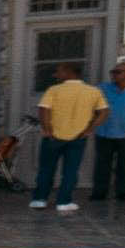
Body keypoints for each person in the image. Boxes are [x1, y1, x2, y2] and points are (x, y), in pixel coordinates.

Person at [31, 61, 108, 212]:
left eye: (58, 72)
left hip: (53, 136)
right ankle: (64, 202)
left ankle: (40, 199)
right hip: (78, 137)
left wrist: (47, 129)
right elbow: (104, 111)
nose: (56, 75)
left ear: (68, 73)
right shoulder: (93, 91)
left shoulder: (54, 90)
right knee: (71, 171)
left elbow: (44, 109)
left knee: (46, 169)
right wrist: (90, 129)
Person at [93, 59, 125, 202]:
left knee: (124, 165)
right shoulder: (102, 88)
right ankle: (99, 193)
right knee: (102, 165)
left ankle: (123, 193)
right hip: (104, 133)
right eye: (113, 72)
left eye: (117, 72)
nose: (113, 75)